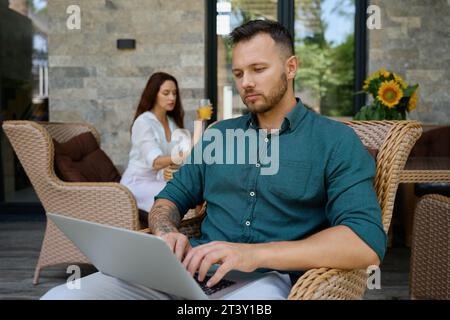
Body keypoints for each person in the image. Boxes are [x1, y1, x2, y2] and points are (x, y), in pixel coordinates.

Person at [42, 20, 387, 300]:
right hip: (186, 270)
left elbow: (364, 241)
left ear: (291, 67)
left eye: (258, 69)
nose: (247, 83)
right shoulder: (219, 136)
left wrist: (255, 256)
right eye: (238, 73)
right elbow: (168, 200)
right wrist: (165, 232)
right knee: (60, 297)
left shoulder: (335, 140)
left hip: (267, 282)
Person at [119, 72, 188, 214]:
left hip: (158, 180)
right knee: (180, 193)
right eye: (166, 93)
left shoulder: (172, 122)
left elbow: (182, 155)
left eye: (174, 93)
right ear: (154, 94)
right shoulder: (143, 122)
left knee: (191, 189)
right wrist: (182, 156)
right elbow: (156, 162)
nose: (172, 98)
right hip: (137, 184)